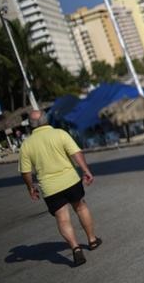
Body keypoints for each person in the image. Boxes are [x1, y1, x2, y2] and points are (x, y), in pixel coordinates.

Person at [18, 110, 101, 266]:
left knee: (62, 218)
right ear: (45, 119)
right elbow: (76, 153)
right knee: (81, 207)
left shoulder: (26, 145)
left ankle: (75, 249)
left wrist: (30, 187)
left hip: (50, 188)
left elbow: (26, 171)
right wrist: (86, 170)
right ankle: (92, 240)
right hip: (70, 180)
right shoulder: (59, 134)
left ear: (30, 125)